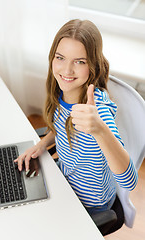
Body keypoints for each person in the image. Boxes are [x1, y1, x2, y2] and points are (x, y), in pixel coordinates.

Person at [14, 19, 138, 215]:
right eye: (60, 58)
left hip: (90, 204)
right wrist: (41, 145)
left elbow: (129, 181)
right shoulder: (63, 91)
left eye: (79, 61)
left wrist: (99, 129)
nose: (66, 70)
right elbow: (62, 128)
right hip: (66, 184)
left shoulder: (98, 113)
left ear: (93, 65)